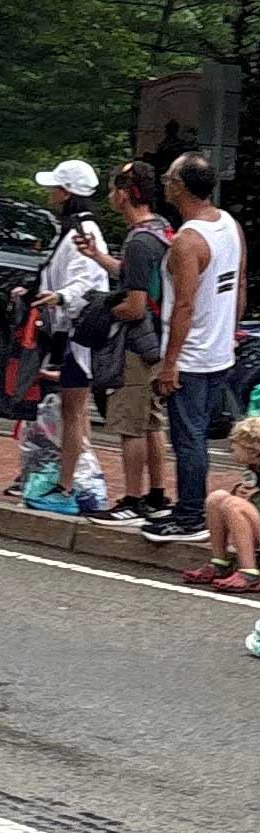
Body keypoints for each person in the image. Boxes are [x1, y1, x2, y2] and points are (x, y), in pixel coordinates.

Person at [142, 153, 247, 543]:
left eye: (170, 178)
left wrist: (170, 364)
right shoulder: (229, 225)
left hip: (192, 356)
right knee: (197, 434)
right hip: (219, 350)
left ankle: (190, 515)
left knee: (189, 438)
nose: (165, 183)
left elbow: (183, 305)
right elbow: (237, 285)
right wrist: (229, 333)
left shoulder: (187, 241)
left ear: (181, 187)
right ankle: (190, 506)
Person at [77, 161, 174, 527]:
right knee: (152, 422)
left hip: (134, 345)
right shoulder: (161, 230)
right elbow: (137, 279)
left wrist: (102, 311)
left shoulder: (137, 241)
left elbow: (134, 306)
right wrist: (97, 257)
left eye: (114, 189)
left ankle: (132, 499)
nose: (109, 196)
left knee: (130, 424)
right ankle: (158, 495)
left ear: (124, 194)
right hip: (157, 342)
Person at [26, 159, 110, 515]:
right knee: (74, 410)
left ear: (66, 193)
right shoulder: (78, 228)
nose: (50, 194)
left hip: (78, 334)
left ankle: (67, 486)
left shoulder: (81, 231)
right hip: (77, 334)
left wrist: (60, 297)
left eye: (54, 188)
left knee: (73, 410)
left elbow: (85, 280)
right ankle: (80, 477)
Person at [182, 417, 260, 592]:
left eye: (236, 445)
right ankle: (220, 562)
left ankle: (250, 572)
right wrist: (239, 491)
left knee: (234, 505)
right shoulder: (253, 467)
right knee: (217, 498)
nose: (231, 448)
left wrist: (253, 496)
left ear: (254, 451)